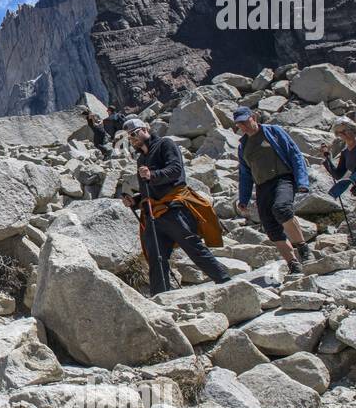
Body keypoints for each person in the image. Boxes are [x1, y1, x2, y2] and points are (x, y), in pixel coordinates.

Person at [120, 118, 230, 295]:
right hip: (153, 214)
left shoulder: (165, 144)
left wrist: (152, 174)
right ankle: (161, 297)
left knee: (193, 247)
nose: (132, 139)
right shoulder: (141, 159)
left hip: (174, 208)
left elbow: (176, 170)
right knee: (155, 258)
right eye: (129, 137)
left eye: (134, 134)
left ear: (145, 129)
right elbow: (149, 189)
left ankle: (224, 280)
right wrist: (135, 200)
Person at [233, 106, 312, 274]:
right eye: (239, 124)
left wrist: (302, 181)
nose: (243, 127)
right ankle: (293, 263)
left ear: (253, 117)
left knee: (282, 209)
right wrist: (244, 199)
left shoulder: (273, 132)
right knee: (270, 225)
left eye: (245, 122)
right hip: (262, 186)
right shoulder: (243, 146)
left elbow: (295, 154)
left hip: (282, 179)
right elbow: (245, 174)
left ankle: (303, 248)